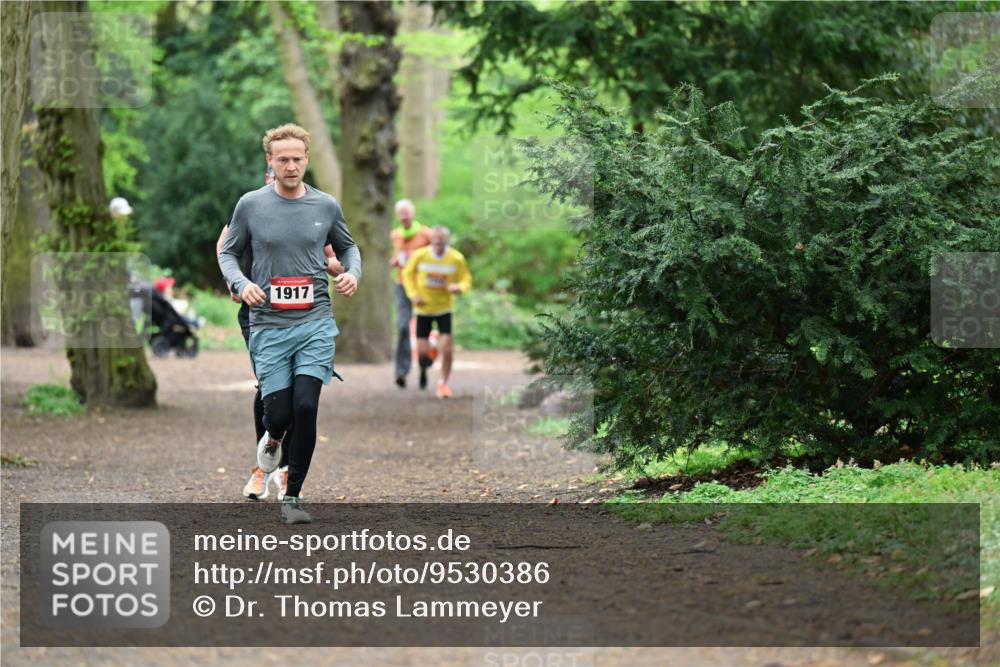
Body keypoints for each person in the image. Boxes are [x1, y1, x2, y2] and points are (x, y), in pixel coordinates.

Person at [219, 123, 360, 524]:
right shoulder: (250, 205)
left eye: (298, 158)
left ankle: (293, 497)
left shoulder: (326, 206)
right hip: (268, 324)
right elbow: (228, 253)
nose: (291, 165)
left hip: (315, 321)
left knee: (306, 406)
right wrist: (242, 283)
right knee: (278, 415)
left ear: (307, 160)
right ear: (271, 161)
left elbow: (349, 247)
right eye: (283, 159)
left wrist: (352, 273)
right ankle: (273, 437)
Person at [401, 226, 471, 399]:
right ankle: (426, 361)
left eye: (442, 239)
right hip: (423, 308)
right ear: (431, 240)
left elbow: (466, 278)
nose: (438, 242)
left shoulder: (456, 258)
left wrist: (459, 287)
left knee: (447, 347)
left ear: (447, 240)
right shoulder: (420, 255)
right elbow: (407, 273)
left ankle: (443, 384)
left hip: (444, 308)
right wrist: (413, 294)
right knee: (423, 354)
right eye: (436, 239)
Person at [389, 200, 432, 388]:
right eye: (401, 213)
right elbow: (395, 257)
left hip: (424, 288)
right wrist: (395, 261)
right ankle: (401, 370)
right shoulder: (396, 235)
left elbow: (439, 254)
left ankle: (424, 367)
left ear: (413, 214)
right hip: (402, 286)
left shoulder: (426, 234)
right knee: (402, 327)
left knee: (423, 329)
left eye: (407, 213)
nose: (404, 216)